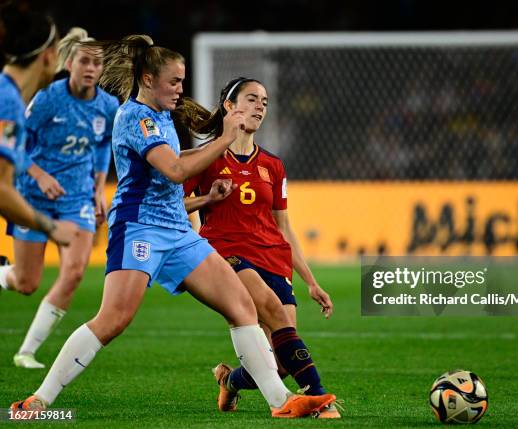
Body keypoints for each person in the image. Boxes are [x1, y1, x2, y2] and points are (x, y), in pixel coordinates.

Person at [11, 35, 335, 418]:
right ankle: (39, 400)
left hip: (179, 232)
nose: (181, 89)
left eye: (182, 81)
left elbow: (176, 158)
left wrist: (205, 186)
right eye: (175, 81)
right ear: (148, 79)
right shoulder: (135, 117)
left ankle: (280, 401)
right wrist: (226, 138)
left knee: (242, 306)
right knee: (113, 319)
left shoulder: (161, 115)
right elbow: (175, 170)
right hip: (140, 228)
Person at [183, 77, 339, 418]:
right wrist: (207, 202)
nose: (260, 107)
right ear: (230, 106)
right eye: (252, 99)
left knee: (279, 362)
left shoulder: (273, 165)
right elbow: (175, 205)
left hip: (273, 257)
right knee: (272, 310)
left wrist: (311, 281)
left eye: (264, 102)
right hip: (228, 252)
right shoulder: (205, 159)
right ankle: (318, 394)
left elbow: (284, 228)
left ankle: (230, 382)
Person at [3, 28, 119, 369]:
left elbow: (102, 147)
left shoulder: (108, 106)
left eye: (97, 63)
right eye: (84, 60)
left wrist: (99, 188)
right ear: (69, 63)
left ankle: (26, 352)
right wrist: (39, 174)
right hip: (32, 196)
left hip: (77, 198)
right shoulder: (47, 98)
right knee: (26, 283)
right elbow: (17, 143)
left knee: (74, 272)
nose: (91, 68)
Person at [0, 3, 78, 264]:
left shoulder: (9, 96)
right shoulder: (8, 102)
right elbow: (1, 189)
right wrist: (52, 227)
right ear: (47, 56)